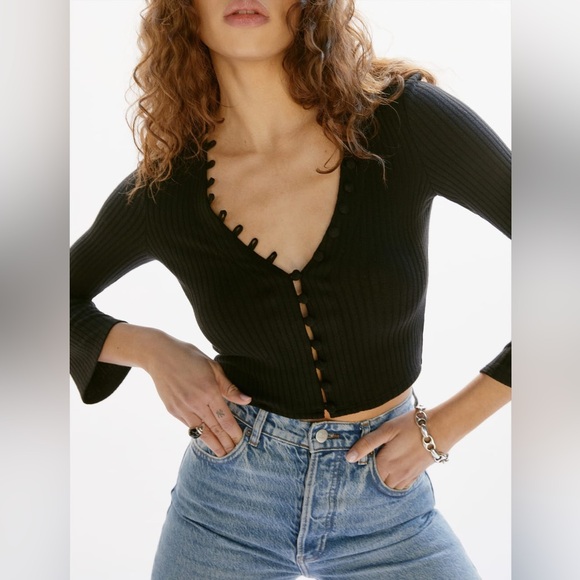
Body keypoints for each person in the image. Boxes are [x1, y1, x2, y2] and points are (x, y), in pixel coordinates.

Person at [70, 0, 511, 578]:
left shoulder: (404, 122)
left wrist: (444, 428)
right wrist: (150, 350)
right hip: (227, 500)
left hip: (389, 499)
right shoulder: (166, 191)